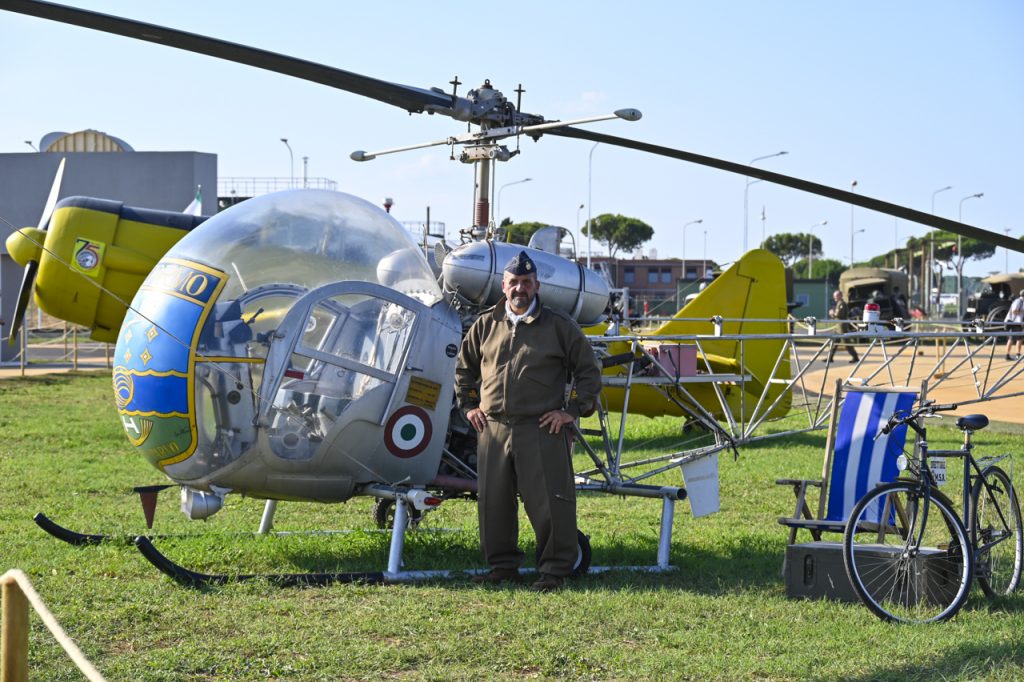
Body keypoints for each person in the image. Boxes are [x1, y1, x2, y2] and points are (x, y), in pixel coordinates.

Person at [455, 250, 602, 592]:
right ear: (503, 286)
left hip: (541, 429)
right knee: (494, 502)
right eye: (514, 282)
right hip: (493, 428)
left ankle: (554, 570)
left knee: (550, 502)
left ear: (536, 286)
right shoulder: (486, 324)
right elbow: (464, 368)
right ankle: (502, 567)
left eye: (526, 282)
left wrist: (572, 410)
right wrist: (470, 405)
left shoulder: (558, 325)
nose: (519, 288)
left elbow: (588, 371)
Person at [827, 289, 859, 363]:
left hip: (842, 326)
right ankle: (830, 357)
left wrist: (832, 313)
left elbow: (839, 315)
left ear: (840, 296)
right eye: (834, 296)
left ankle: (855, 357)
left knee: (846, 342)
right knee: (834, 342)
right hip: (838, 326)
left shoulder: (842, 304)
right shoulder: (839, 303)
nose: (834, 297)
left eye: (836, 296)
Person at [1004, 290, 1024, 360]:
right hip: (1014, 322)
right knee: (1012, 339)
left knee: (1020, 338)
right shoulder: (1018, 301)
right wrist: (1022, 311)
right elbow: (1014, 311)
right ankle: (1007, 355)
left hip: (1019, 323)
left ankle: (1018, 354)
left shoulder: (1022, 301)